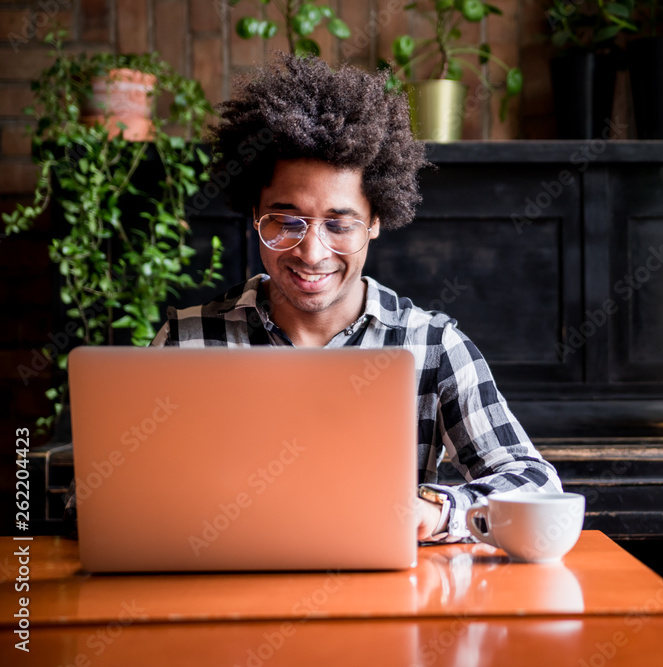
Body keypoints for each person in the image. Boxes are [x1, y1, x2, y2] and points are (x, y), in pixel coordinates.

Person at [148, 54, 563, 543]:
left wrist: (434, 510)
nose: (311, 252)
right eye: (285, 221)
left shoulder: (431, 345)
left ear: (375, 221)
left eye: (340, 225)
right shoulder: (186, 341)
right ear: (254, 213)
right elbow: (103, 494)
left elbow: (535, 483)